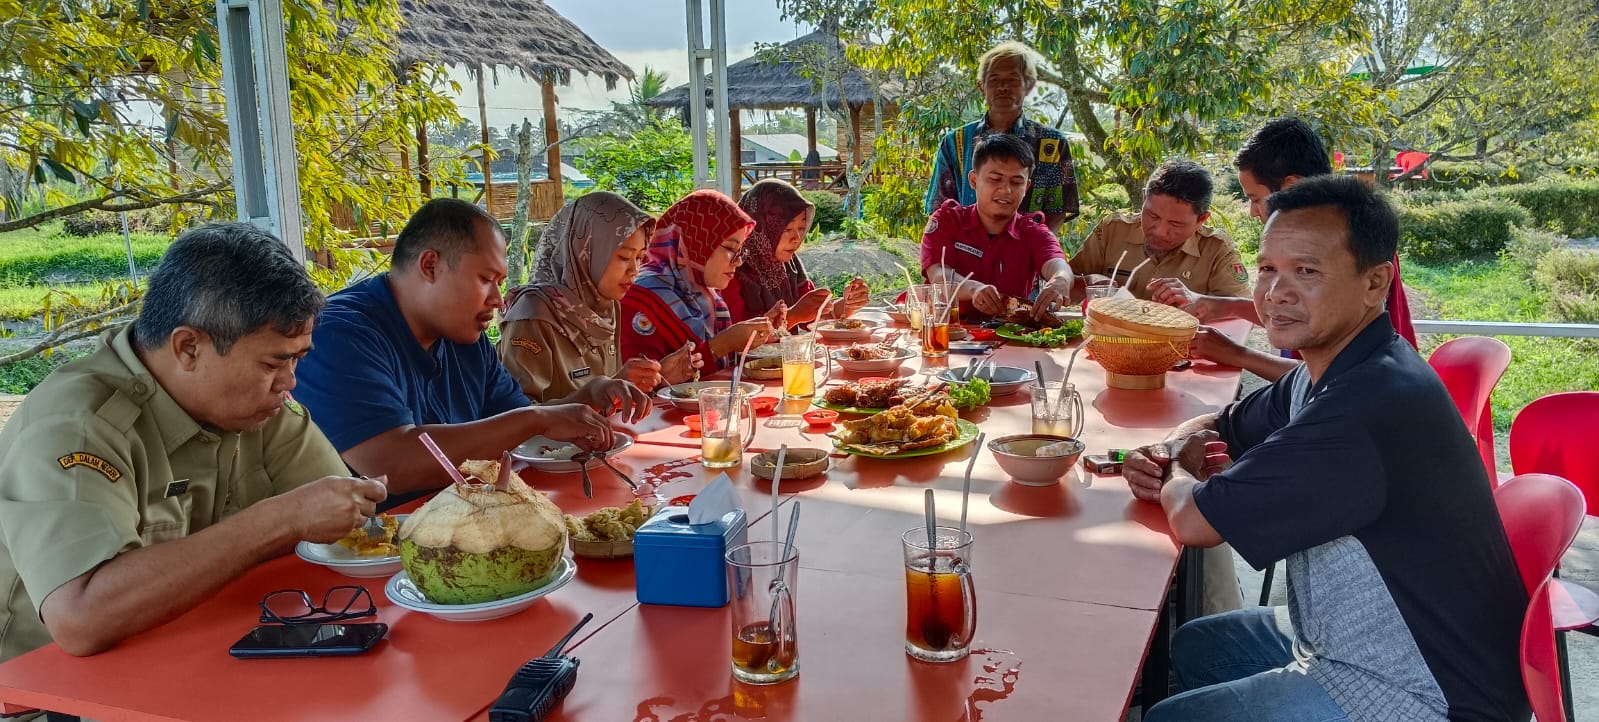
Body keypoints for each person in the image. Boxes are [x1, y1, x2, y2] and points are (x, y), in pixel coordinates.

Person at [1126, 176, 1528, 721]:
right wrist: (1173, 445)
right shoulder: (1332, 370)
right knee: (1202, 646)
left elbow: (1196, 522)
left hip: (1427, 691)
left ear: (1375, 282)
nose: (1276, 292)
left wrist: (1172, 466)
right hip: (1348, 635)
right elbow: (1223, 424)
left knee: (1171, 717)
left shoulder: (1365, 406)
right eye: (1267, 269)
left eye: (1307, 271)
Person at [0, 223, 386, 663]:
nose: (289, 382)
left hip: (201, 651)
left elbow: (349, 532)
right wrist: (278, 521)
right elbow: (81, 617)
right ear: (188, 348)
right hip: (46, 685)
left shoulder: (258, 407)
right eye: (273, 363)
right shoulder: (78, 426)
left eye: (296, 360)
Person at [293, 198, 650, 496]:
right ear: (430, 266)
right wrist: (535, 419)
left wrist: (587, 397)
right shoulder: (339, 333)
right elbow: (390, 465)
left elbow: (519, 422)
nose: (498, 300)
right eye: (485, 279)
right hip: (370, 544)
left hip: (461, 519)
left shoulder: (464, 337)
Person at [1147, 117, 1419, 381]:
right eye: (1268, 269)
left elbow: (1337, 381)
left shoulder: (1350, 250)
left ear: (1290, 187)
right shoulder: (1333, 244)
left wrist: (1237, 354)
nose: (1253, 212)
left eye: (1256, 199)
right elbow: (1305, 312)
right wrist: (1219, 305)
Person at [498, 192, 701, 400]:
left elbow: (609, 397)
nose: (634, 270)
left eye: (640, 257)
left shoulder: (606, 306)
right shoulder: (533, 314)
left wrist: (656, 378)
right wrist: (599, 394)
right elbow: (519, 413)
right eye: (624, 257)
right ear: (585, 251)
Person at [925, 41, 1079, 232]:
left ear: (1029, 85)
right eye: (994, 79)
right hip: (964, 250)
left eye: (1013, 80)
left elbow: (1057, 211)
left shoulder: (1052, 144)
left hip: (1028, 250)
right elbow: (940, 210)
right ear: (981, 87)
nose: (1003, 87)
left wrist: (1038, 247)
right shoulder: (955, 142)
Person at [920, 133, 1073, 321]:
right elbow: (938, 275)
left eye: (1016, 182)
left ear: (1026, 187)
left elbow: (1057, 264)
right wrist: (973, 289)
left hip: (1010, 335)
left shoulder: (1034, 232)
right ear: (973, 180)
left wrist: (1061, 280)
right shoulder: (947, 221)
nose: (1006, 190)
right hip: (947, 332)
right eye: (995, 179)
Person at [619, 190, 776, 369]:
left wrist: (757, 335)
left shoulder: (705, 294)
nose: (738, 261)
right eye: (731, 249)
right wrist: (723, 344)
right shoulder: (641, 299)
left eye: (741, 251)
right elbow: (643, 382)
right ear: (695, 243)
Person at [1069, 159, 1251, 303]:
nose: (1160, 232)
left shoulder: (1217, 250)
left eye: (1176, 224)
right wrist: (1091, 281)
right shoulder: (1112, 231)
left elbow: (1241, 316)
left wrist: (1197, 301)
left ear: (1201, 220)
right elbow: (1067, 285)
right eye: (1153, 216)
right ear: (1144, 199)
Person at [725, 179, 871, 327]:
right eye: (787, 229)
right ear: (760, 226)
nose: (797, 238)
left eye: (801, 228)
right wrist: (794, 315)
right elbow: (734, 334)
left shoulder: (789, 265)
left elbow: (816, 314)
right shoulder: (730, 270)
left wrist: (848, 304)